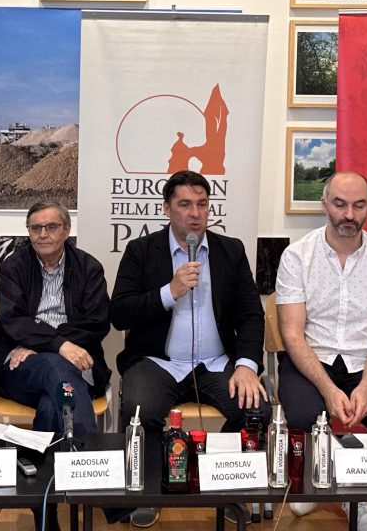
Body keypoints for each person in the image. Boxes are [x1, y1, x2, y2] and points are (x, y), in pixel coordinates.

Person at [110, 170, 268, 528]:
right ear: (167, 209)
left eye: (202, 204)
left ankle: (226, 484)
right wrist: (169, 292)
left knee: (255, 408)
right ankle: (149, 492)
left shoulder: (230, 251)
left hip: (215, 363)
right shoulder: (141, 251)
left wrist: (246, 365)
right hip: (158, 362)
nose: (195, 213)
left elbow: (250, 314)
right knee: (140, 411)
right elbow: (119, 313)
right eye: (184, 204)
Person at [276, 171, 367, 531]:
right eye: (340, 204)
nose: (349, 215)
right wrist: (328, 390)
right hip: (312, 361)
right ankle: (353, 500)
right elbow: (292, 335)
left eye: (359, 205)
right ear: (324, 204)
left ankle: (325, 474)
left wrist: (366, 388)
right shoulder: (297, 256)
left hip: (366, 364)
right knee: (304, 418)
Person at [0, 201, 111, 531]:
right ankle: (97, 481)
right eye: (35, 228)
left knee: (54, 401)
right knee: (56, 367)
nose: (42, 234)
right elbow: (12, 320)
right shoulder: (12, 267)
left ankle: (45, 511)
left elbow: (97, 322)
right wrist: (59, 345)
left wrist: (45, 343)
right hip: (19, 368)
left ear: (66, 230)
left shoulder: (89, 268)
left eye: (51, 227)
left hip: (70, 368)